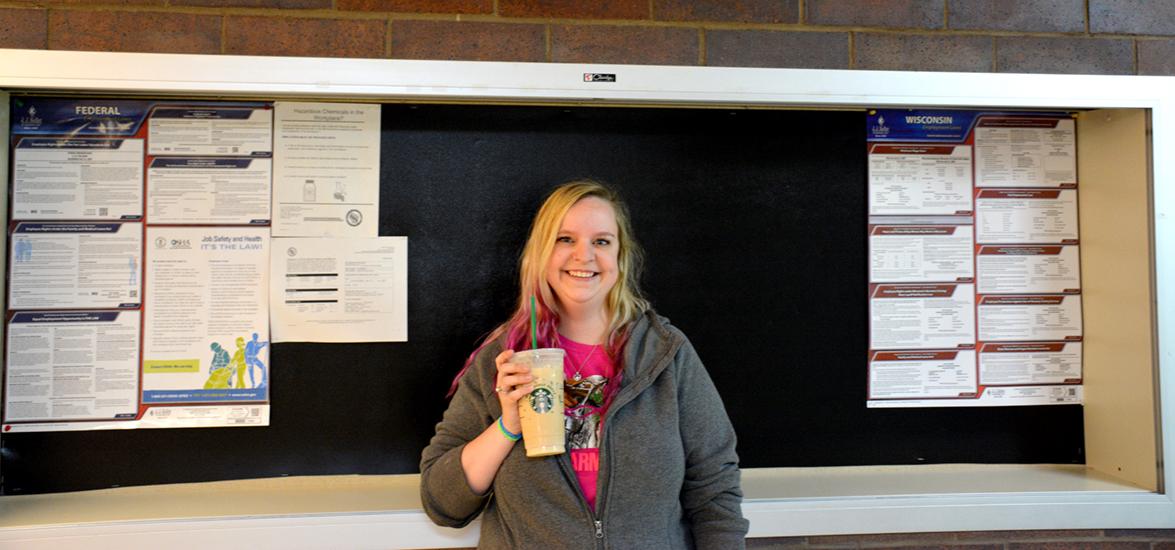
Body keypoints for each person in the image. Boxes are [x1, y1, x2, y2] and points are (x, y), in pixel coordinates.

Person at [420, 180, 748, 548]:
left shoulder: (666, 354)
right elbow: (442, 503)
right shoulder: (504, 359)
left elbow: (714, 487)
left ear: (621, 257)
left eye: (601, 241)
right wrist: (508, 425)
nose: (584, 255)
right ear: (541, 253)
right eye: (565, 239)